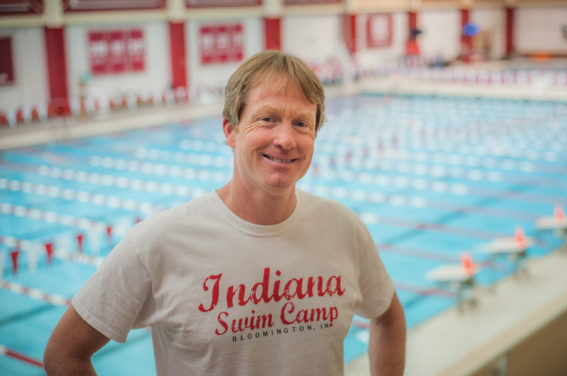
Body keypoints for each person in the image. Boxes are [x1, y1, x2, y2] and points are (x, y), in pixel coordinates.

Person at [44, 50, 406, 375]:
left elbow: (388, 317)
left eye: (301, 123)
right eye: (267, 119)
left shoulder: (343, 228)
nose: (286, 139)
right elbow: (64, 355)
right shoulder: (159, 241)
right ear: (230, 130)